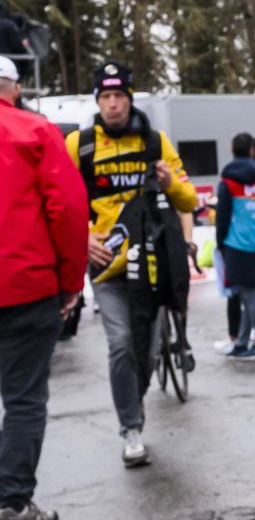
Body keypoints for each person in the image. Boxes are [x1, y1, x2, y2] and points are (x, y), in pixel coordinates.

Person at [66, 61, 199, 470]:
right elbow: (61, 204)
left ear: (128, 98)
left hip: (151, 264)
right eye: (105, 97)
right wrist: (83, 239)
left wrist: (171, 183)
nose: (112, 105)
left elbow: (190, 201)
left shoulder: (155, 142)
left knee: (148, 351)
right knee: (121, 343)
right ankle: (131, 428)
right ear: (97, 102)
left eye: (118, 96)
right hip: (106, 266)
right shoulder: (80, 145)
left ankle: (135, 401)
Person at [0, 55, 88, 520]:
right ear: (13, 88)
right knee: (24, 399)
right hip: (25, 287)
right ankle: (12, 503)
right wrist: (70, 282)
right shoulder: (34, 132)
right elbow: (68, 209)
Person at [214, 132, 255, 361]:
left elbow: (222, 217)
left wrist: (220, 244)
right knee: (251, 294)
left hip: (237, 245)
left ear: (232, 151)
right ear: (252, 150)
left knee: (250, 295)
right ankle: (243, 343)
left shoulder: (228, 182)